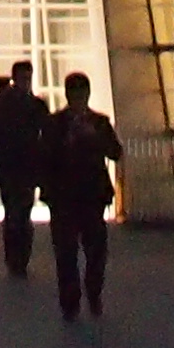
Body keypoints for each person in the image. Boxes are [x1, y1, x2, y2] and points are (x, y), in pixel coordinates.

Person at [40, 72, 123, 322]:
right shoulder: (54, 124)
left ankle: (93, 291)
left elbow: (115, 152)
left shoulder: (99, 122)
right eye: (74, 95)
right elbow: (45, 156)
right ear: (68, 96)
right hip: (63, 197)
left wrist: (94, 138)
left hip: (92, 196)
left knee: (96, 250)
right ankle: (70, 301)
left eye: (82, 95)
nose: (78, 99)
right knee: (65, 252)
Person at [0, 62, 46, 278]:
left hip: (14, 167)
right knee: (20, 213)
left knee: (17, 213)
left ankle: (16, 258)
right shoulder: (35, 106)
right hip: (17, 167)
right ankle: (18, 258)